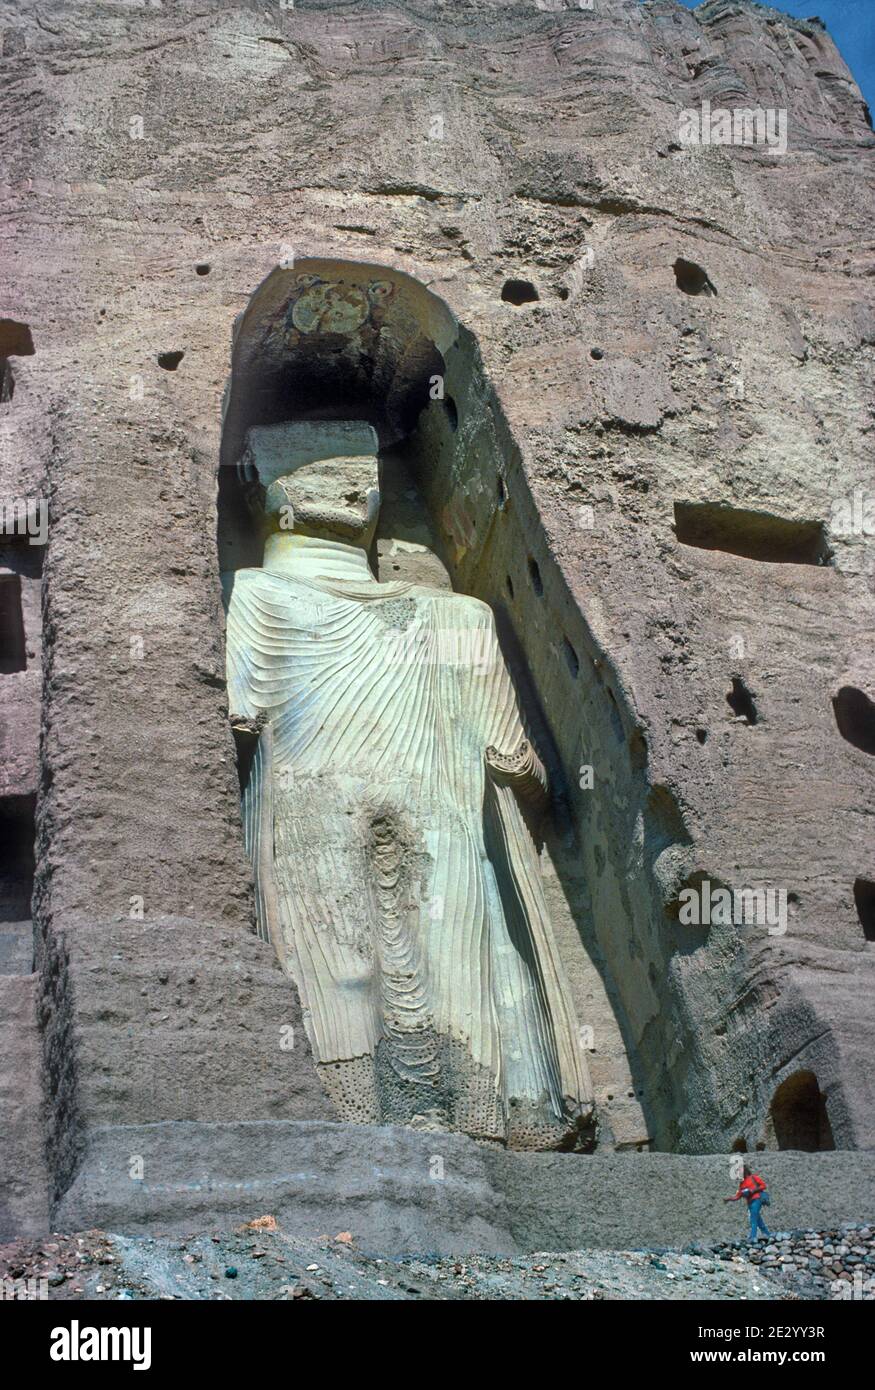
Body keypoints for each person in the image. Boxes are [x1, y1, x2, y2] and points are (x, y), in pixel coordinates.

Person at [725, 1164, 771, 1241]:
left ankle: (753, 1237)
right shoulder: (742, 1184)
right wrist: (729, 1199)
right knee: (758, 1219)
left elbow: (763, 1186)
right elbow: (738, 1196)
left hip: (757, 1199)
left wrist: (752, 1190)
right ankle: (767, 1234)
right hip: (750, 1203)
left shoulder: (753, 1178)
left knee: (753, 1218)